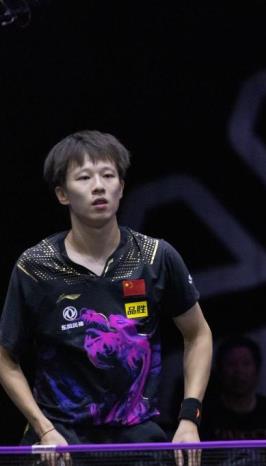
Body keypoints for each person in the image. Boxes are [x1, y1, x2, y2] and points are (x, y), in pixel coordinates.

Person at [0, 131, 213, 454]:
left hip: (137, 437)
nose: (98, 186)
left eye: (108, 175)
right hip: (61, 439)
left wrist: (189, 418)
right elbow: (5, 358)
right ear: (62, 194)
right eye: (84, 177)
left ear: (121, 188)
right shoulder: (36, 266)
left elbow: (197, 334)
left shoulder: (154, 257)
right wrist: (44, 429)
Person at [200, 336, 266, 440]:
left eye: (246, 364)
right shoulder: (205, 415)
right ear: (220, 370)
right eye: (231, 364)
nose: (239, 371)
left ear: (257, 370)